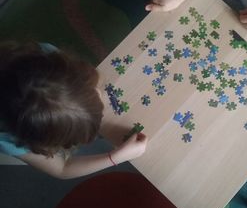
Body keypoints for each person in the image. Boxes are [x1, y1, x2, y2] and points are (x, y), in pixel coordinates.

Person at [0, 41, 148, 179]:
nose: (100, 93)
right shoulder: (7, 140)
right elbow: (62, 169)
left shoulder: (47, 58)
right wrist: (116, 157)